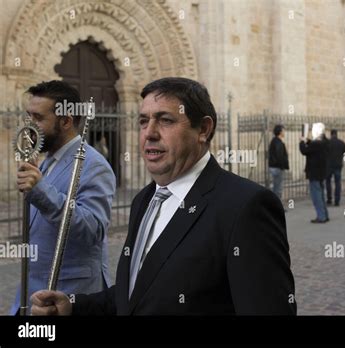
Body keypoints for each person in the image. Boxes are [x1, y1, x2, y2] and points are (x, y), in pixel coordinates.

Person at [31, 77, 296, 315]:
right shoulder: (144, 201)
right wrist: (73, 306)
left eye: (165, 120)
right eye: (143, 121)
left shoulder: (246, 206)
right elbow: (135, 294)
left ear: (203, 129)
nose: (150, 133)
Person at [12, 80, 116, 314]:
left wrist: (40, 191)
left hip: (69, 294)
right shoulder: (47, 160)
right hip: (32, 294)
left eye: (38, 118)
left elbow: (93, 229)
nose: (29, 125)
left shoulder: (94, 165)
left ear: (66, 121)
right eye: (28, 116)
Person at [299, 122, 329, 223]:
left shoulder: (316, 143)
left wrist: (302, 141)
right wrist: (307, 140)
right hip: (321, 173)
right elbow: (313, 145)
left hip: (314, 173)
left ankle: (321, 217)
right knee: (321, 195)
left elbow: (304, 151)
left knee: (316, 196)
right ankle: (325, 215)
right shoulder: (324, 142)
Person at [326, 129, 345, 206]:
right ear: (336, 134)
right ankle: (337, 201)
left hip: (328, 166)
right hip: (338, 165)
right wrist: (344, 161)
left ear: (331, 134)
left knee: (328, 182)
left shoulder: (327, 143)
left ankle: (329, 199)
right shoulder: (342, 143)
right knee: (337, 183)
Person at [268, 124, 289, 201]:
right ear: (280, 132)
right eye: (283, 130)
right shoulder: (278, 142)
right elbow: (279, 156)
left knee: (276, 187)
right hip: (277, 168)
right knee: (278, 188)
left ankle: (275, 205)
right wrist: (283, 167)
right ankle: (277, 207)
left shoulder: (275, 141)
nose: (284, 132)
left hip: (275, 167)